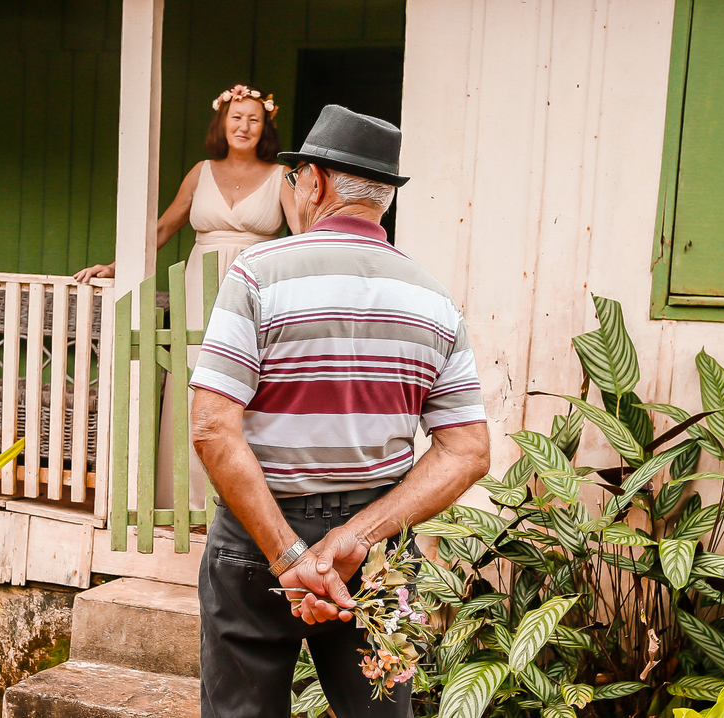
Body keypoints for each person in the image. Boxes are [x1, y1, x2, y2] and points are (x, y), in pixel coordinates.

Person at [189, 105, 491, 718]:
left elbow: (212, 427)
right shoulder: (433, 299)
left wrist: (288, 555)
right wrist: (356, 537)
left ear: (317, 181)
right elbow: (468, 450)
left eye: (296, 175)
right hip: (374, 551)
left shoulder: (256, 276)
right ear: (384, 196)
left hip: (256, 538)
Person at [76, 84, 297, 507]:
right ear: (222, 123)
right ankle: (186, 499)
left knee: (248, 382)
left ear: (265, 126)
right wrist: (116, 266)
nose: (244, 126)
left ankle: (240, 501)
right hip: (198, 287)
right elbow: (162, 227)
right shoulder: (201, 172)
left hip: (256, 287)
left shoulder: (280, 177)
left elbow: (303, 235)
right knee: (194, 374)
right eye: (236, 117)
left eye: (254, 119)